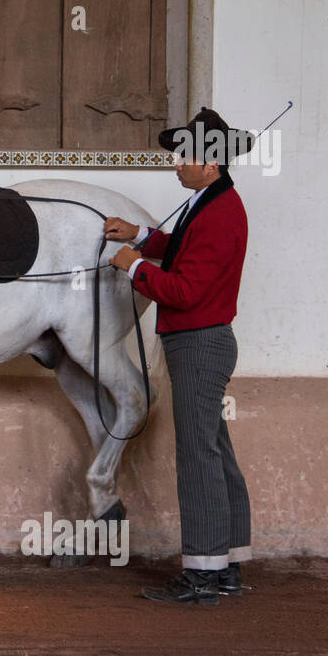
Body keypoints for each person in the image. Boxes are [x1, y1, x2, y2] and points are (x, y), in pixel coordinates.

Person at [103, 108, 255, 605]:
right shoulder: (210, 202)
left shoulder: (221, 211)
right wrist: (142, 238)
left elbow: (185, 290)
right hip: (200, 341)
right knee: (214, 450)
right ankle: (227, 564)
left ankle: (201, 575)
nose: (177, 164)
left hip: (198, 342)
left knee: (197, 455)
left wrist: (132, 268)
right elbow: (183, 249)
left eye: (186, 156)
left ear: (212, 162)